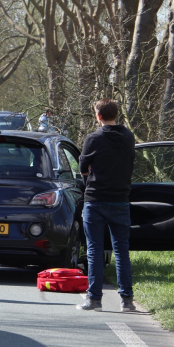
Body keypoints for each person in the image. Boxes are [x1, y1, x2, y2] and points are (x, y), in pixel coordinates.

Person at [77, 98, 137, 312]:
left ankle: (94, 300)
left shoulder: (93, 138)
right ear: (116, 114)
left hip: (95, 200)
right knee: (121, 251)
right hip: (121, 200)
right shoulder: (128, 137)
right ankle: (127, 301)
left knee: (94, 250)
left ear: (98, 116)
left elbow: (83, 169)